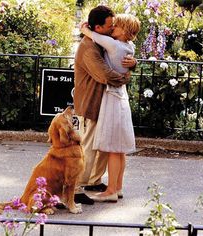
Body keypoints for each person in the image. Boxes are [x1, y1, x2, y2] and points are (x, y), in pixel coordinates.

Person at [73, 5, 137, 204]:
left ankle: (93, 180)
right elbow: (104, 75)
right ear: (98, 28)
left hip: (105, 102)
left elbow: (121, 56)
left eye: (114, 25)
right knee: (88, 146)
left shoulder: (102, 41)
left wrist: (133, 64)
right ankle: (75, 187)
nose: (112, 28)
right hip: (90, 102)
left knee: (103, 146)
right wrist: (125, 76)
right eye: (109, 25)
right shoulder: (89, 47)